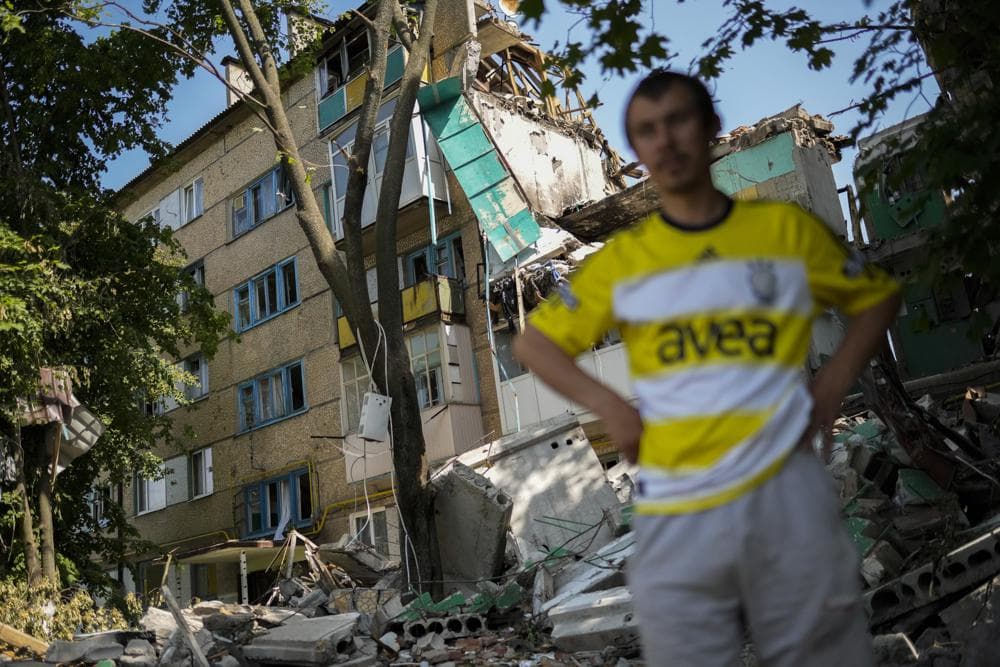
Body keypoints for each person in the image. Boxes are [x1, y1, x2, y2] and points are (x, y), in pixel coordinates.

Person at [513, 70, 901, 666]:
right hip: (678, 505)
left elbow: (876, 298)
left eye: (678, 122)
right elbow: (535, 345)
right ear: (637, 151)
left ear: (711, 128)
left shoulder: (784, 232)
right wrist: (613, 407)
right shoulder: (624, 261)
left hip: (785, 491)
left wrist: (831, 384)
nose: (664, 142)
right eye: (646, 131)